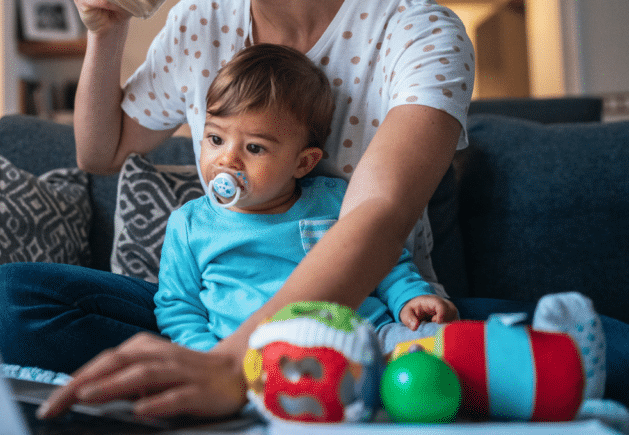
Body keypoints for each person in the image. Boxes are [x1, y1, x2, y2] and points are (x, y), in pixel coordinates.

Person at [0, 0, 626, 419]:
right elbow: (100, 151)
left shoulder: (418, 32)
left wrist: (238, 366)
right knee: (8, 302)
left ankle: (351, 374)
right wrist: (105, 31)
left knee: (612, 351)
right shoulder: (197, 23)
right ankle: (249, 377)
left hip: (373, 313)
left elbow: (376, 213)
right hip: (221, 316)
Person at [154, 44, 457, 355]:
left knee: (441, 346)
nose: (227, 159)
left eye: (255, 148)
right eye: (215, 139)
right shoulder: (189, 225)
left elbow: (383, 263)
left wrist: (410, 297)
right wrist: (207, 359)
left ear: (303, 163)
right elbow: (179, 308)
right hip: (253, 360)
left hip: (365, 339)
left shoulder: (336, 200)